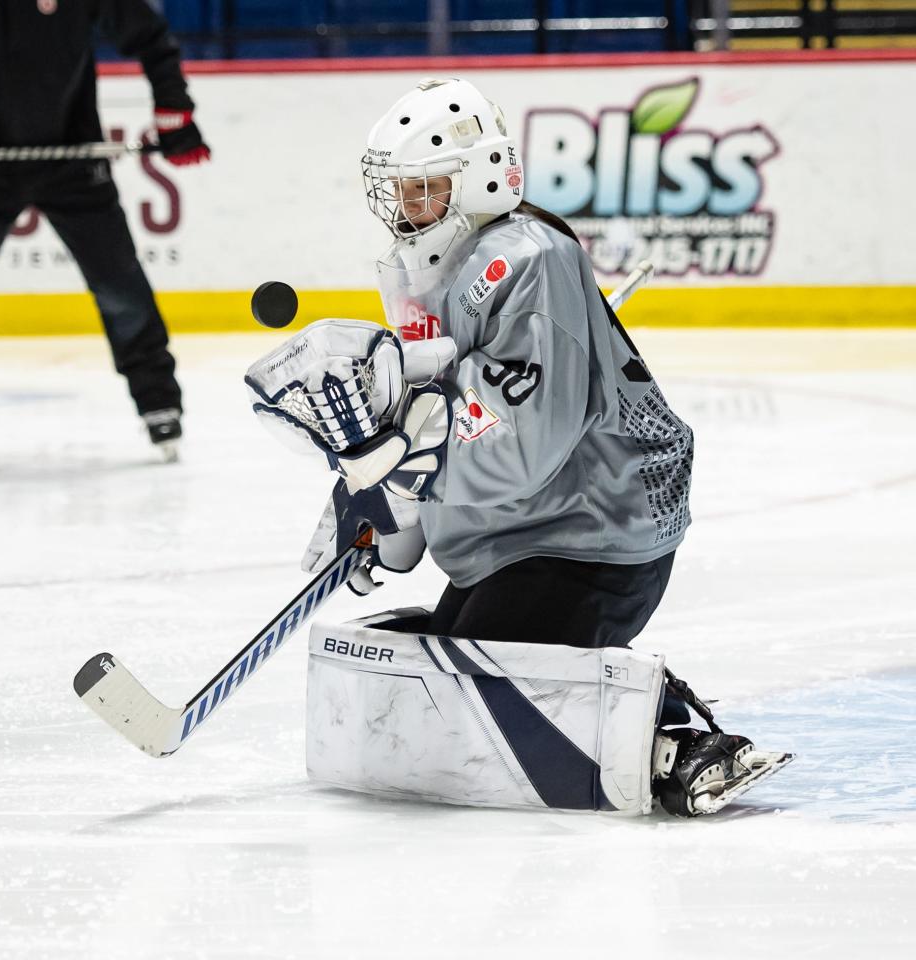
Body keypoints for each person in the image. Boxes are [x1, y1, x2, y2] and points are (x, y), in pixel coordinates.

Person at [245, 78, 791, 816]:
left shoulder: (525, 258)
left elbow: (526, 444)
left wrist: (411, 479)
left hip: (590, 536)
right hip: (514, 536)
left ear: (480, 179)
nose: (404, 210)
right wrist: (378, 502)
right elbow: (443, 414)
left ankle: (680, 735)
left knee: (482, 705)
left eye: (424, 189)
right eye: (399, 191)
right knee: (437, 697)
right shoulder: (434, 267)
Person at [0, 0, 211, 458]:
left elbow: (151, 36)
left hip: (73, 165)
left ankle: (159, 404)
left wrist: (173, 110)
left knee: (121, 287)